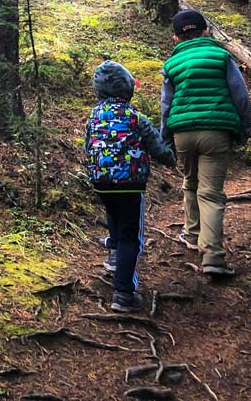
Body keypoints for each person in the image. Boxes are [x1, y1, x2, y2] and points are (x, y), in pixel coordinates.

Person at [161, 9, 251, 278]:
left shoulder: (171, 64)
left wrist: (165, 135)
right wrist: (245, 127)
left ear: (176, 38)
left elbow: (166, 104)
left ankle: (192, 234)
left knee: (190, 182)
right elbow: (241, 96)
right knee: (211, 193)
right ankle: (212, 255)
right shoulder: (221, 56)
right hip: (216, 131)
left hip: (182, 133)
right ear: (206, 32)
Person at [85, 61, 177, 312]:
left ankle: (115, 259)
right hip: (129, 183)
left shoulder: (93, 116)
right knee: (130, 236)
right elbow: (157, 148)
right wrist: (171, 159)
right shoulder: (135, 117)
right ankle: (123, 293)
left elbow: (87, 146)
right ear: (127, 87)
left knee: (114, 216)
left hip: (100, 182)